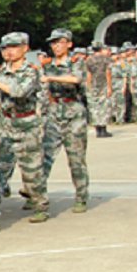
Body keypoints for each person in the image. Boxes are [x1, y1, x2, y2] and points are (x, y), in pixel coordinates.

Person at [0, 32, 49, 223]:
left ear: (25, 48)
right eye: (5, 48)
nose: (8, 52)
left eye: (13, 47)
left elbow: (20, 92)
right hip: (5, 121)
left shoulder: (31, 70)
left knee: (32, 168)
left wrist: (1, 85)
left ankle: (40, 205)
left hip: (26, 122)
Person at [41, 28, 89, 213]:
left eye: (59, 42)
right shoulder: (48, 64)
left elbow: (76, 79)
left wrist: (51, 77)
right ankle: (37, 194)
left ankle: (81, 196)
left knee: (76, 159)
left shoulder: (76, 62)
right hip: (54, 112)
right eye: (53, 43)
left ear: (69, 44)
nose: (56, 46)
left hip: (73, 112)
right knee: (44, 156)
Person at [84, 42, 113, 137]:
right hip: (103, 85)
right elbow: (107, 73)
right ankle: (103, 129)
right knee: (103, 107)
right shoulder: (106, 59)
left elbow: (88, 74)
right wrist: (109, 86)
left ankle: (98, 130)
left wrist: (88, 86)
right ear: (101, 48)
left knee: (94, 107)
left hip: (93, 85)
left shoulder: (89, 60)